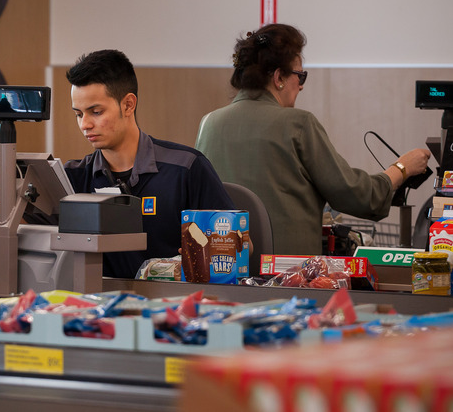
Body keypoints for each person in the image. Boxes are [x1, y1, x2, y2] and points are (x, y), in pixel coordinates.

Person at [196, 23, 431, 256]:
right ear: (279, 77)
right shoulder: (297, 124)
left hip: (224, 273)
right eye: (300, 76)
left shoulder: (208, 124)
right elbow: (355, 195)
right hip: (286, 277)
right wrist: (401, 168)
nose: (301, 86)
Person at [63, 49, 235, 278]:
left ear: (128, 105)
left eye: (96, 112)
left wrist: (206, 256)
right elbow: (10, 221)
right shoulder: (72, 178)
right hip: (98, 306)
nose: (85, 124)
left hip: (174, 306)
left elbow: (240, 246)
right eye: (78, 114)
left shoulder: (186, 168)